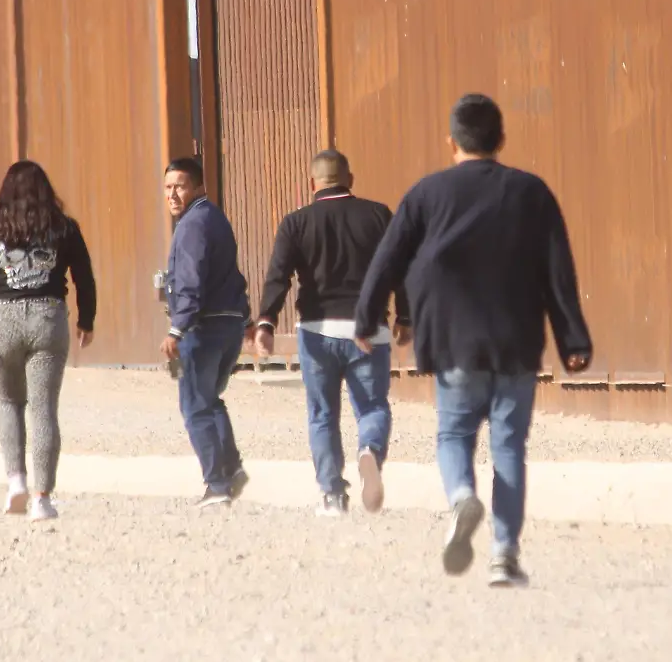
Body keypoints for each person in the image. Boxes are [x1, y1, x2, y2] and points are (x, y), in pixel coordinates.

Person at [354, 94, 593, 588]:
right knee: (508, 447)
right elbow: (558, 271)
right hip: (516, 342)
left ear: (451, 143)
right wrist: (574, 337)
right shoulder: (532, 193)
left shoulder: (427, 194)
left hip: (453, 341)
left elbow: (388, 258)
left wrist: (365, 318)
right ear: (501, 140)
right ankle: (504, 554)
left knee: (454, 434)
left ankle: (462, 495)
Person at [255, 150, 408, 517]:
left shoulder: (296, 223)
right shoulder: (378, 215)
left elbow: (279, 275)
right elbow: (400, 267)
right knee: (372, 407)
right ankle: (369, 449)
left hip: (317, 330)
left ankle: (332, 495)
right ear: (349, 179)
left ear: (312, 184)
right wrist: (406, 314)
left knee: (322, 413)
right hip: (368, 330)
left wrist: (266, 321)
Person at [0, 161, 97, 522]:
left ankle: (16, 481)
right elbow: (84, 278)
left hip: (5, 320)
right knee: (43, 408)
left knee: (10, 401)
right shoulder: (64, 228)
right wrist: (87, 320)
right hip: (48, 316)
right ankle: (42, 499)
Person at [160, 156, 251, 508]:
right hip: (227, 323)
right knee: (210, 400)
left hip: (203, 326)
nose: (173, 194)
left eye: (180, 186)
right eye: (168, 187)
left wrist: (177, 329)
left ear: (198, 187)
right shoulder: (213, 217)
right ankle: (232, 469)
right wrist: (244, 318)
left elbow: (191, 281)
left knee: (195, 406)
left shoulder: (193, 224)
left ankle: (216, 485)